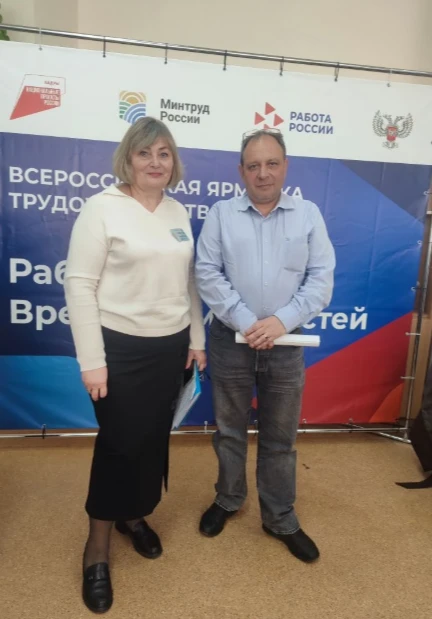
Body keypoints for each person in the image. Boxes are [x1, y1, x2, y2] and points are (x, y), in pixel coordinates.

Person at [64, 117, 206, 613]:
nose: (155, 162)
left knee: (151, 440)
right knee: (119, 445)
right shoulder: (101, 208)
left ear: (173, 162)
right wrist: (92, 361)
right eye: (145, 153)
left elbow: (189, 283)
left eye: (164, 153)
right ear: (128, 158)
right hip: (118, 349)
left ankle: (133, 515)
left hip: (170, 348)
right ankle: (96, 549)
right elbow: (79, 284)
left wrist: (196, 338)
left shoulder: (177, 210)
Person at [195, 128, 335, 563]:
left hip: (286, 344)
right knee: (229, 432)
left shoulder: (308, 214)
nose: (263, 173)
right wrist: (246, 321)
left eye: (272, 163)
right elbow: (207, 272)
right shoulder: (221, 214)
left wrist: (279, 322)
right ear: (241, 171)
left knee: (280, 437)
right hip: (230, 341)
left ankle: (279, 517)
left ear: (285, 166)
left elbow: (321, 280)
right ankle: (228, 498)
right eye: (253, 165)